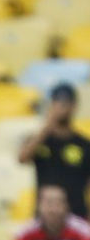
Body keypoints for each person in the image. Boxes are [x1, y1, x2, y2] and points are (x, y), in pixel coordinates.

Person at [20, 83, 90, 219]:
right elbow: (22, 158)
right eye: (57, 103)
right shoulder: (39, 140)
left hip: (76, 215)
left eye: (66, 103)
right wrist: (48, 125)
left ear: (74, 106)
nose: (61, 108)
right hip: (44, 216)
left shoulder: (84, 144)